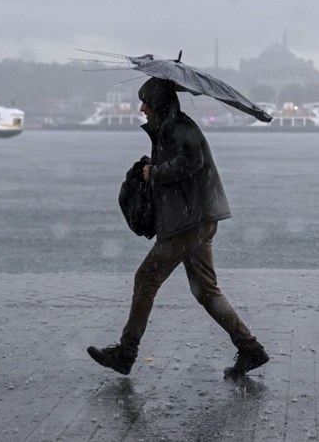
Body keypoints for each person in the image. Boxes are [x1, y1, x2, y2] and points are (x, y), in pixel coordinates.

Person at [87, 77, 269, 379]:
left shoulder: (177, 128)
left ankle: (126, 352)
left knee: (146, 279)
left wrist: (154, 172)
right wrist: (152, 165)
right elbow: (184, 162)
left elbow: (191, 161)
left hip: (188, 222)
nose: (141, 107)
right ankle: (250, 349)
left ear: (157, 102)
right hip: (198, 219)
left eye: (145, 100)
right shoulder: (172, 127)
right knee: (207, 291)